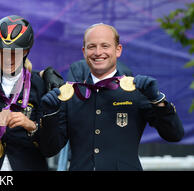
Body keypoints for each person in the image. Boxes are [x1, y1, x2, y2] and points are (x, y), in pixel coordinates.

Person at [41, 23, 184, 170]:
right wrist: (50, 114)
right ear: (84, 52)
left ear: (118, 50)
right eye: (92, 47)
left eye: (105, 46)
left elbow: (174, 134)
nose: (98, 52)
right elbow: (49, 149)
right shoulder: (71, 94)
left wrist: (157, 100)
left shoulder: (137, 91)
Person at [0, 15, 62, 170]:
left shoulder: (40, 85)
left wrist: (32, 126)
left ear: (26, 51)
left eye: (15, 52)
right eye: (3, 51)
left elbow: (51, 148)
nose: (8, 58)